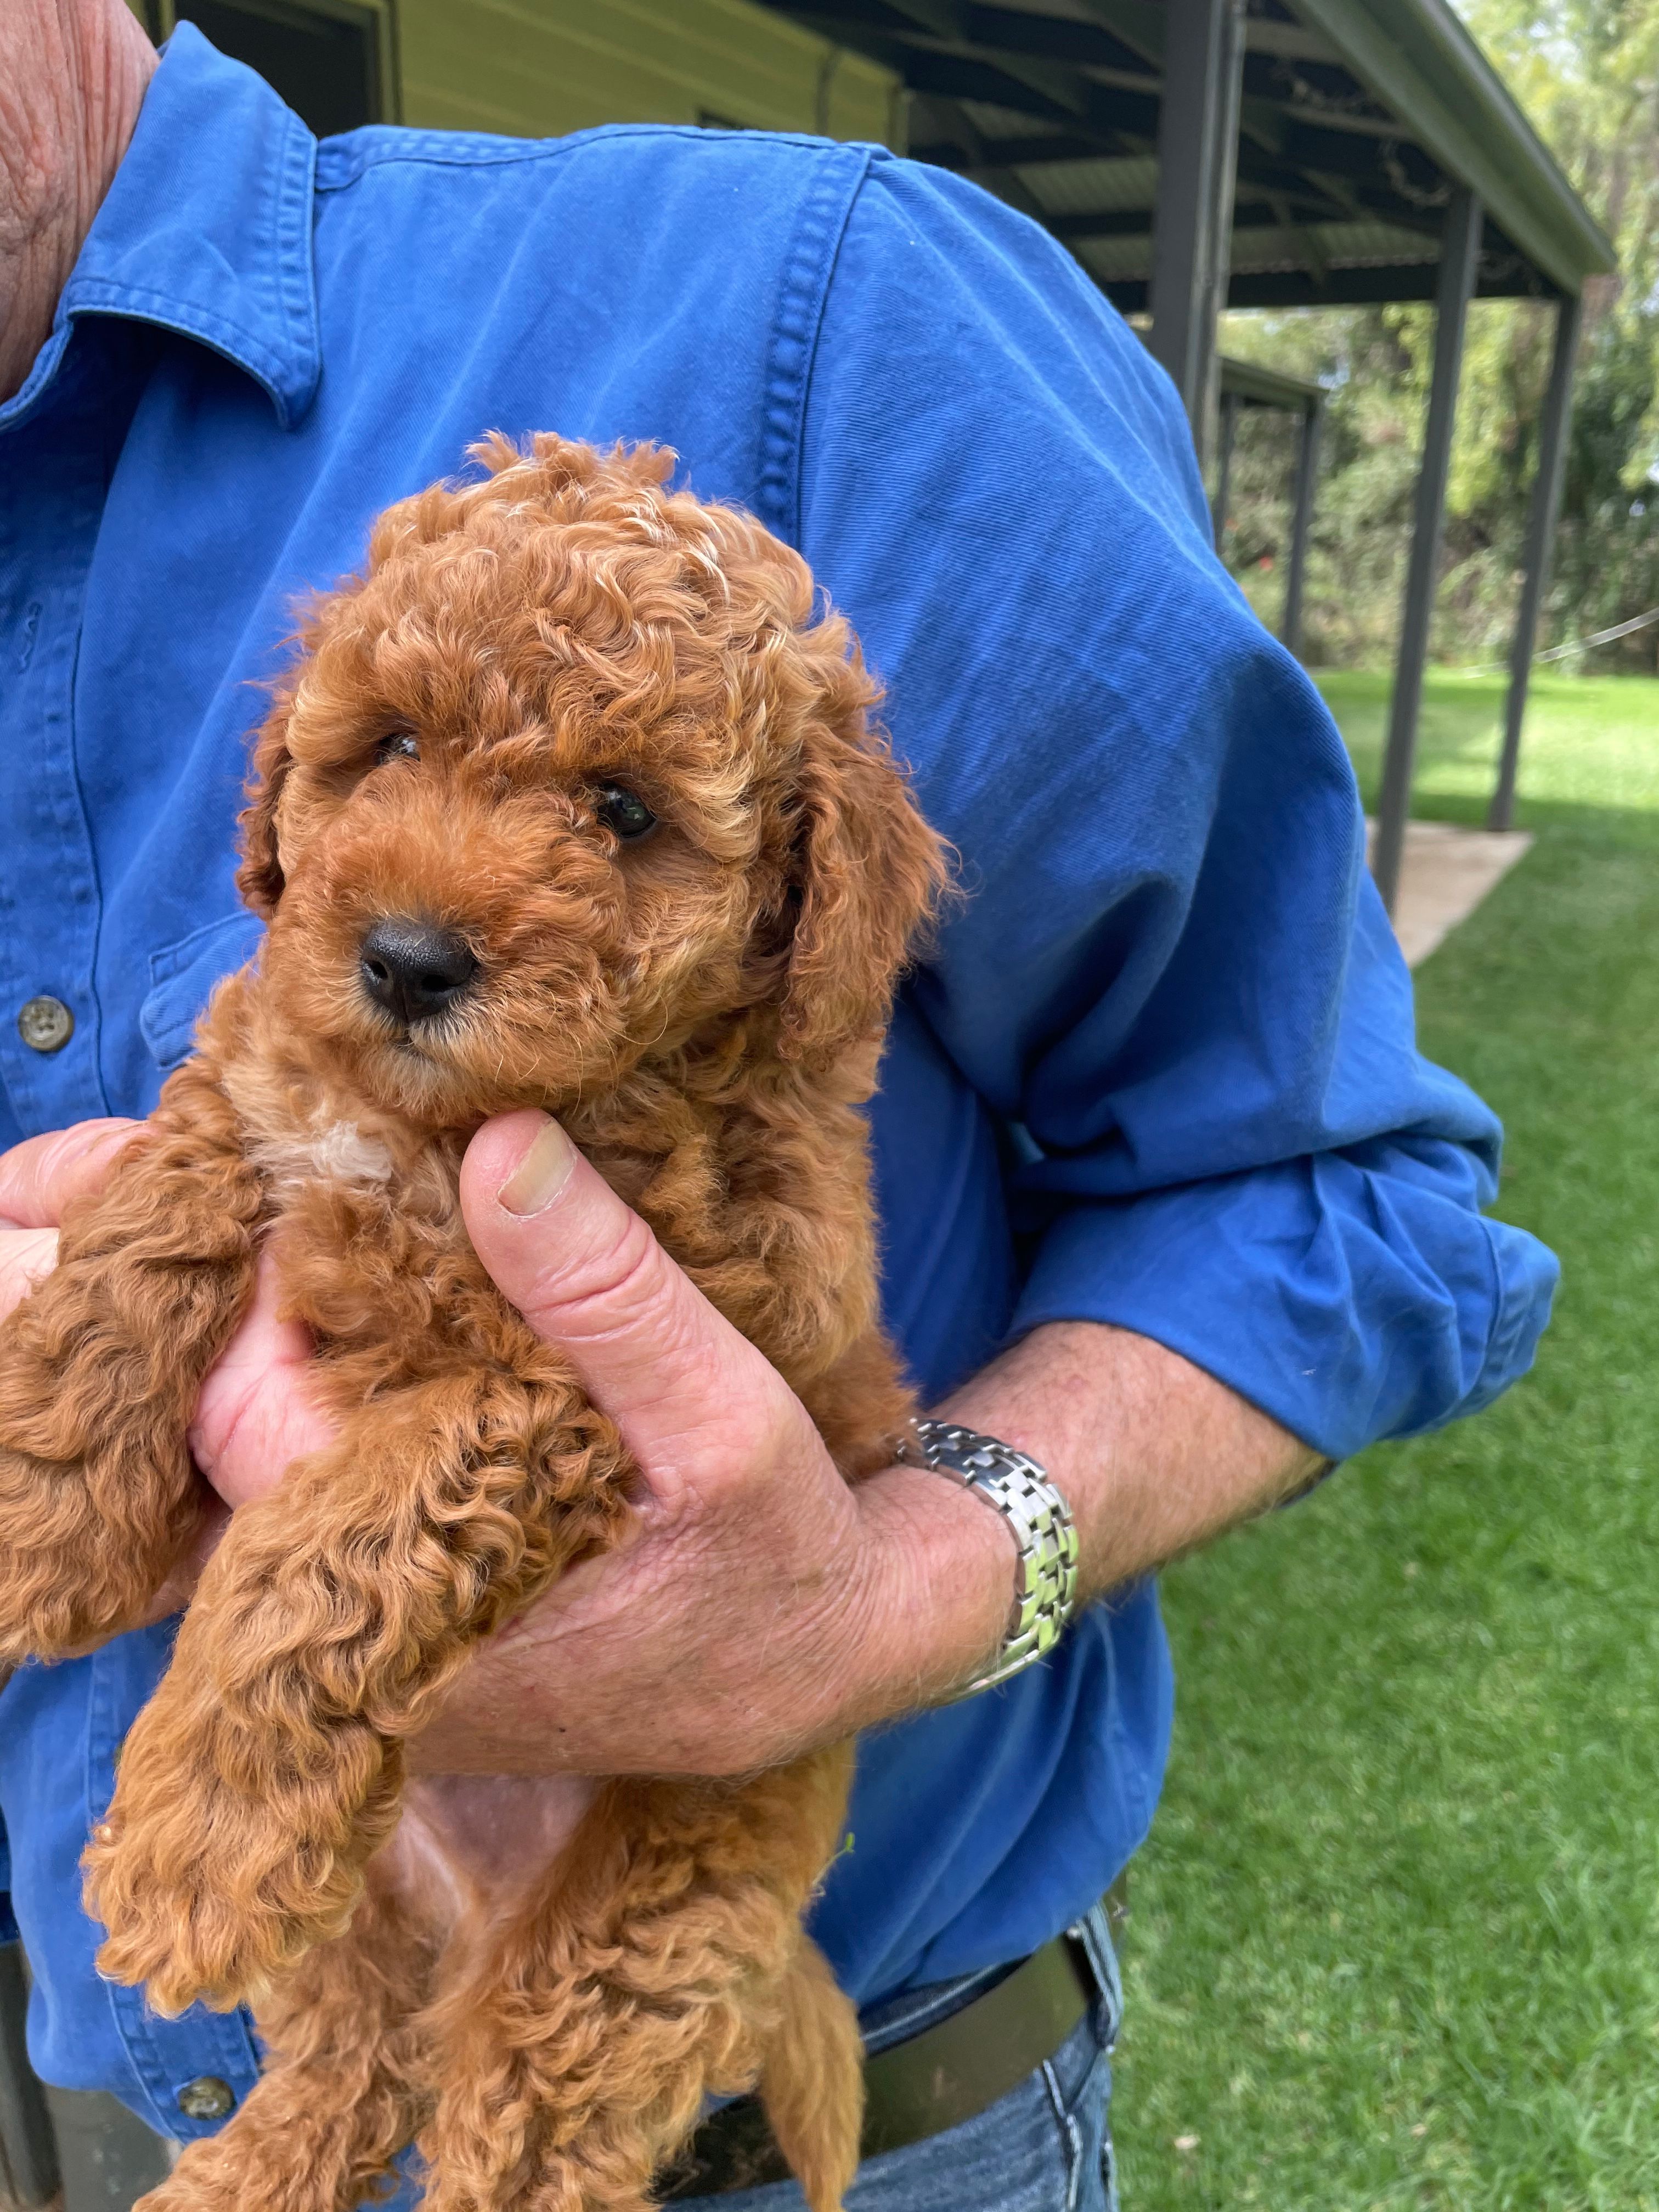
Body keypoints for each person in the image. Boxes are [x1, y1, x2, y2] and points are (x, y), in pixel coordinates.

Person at [0, 4, 1557, 2207]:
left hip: (771, 2111)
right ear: (299, 786)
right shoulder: (298, 991)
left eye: (622, 815)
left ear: (812, 903)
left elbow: (1344, 1192)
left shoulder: (825, 309)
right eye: (387, 763)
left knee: (577, 2050)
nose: (431, 893)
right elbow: (195, 1177)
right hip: (119, 2081)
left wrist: (893, 1586)